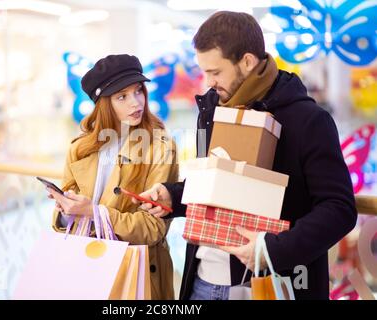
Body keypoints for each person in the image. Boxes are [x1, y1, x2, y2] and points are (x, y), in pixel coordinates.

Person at [134, 11, 357, 300]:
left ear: (248, 62)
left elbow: (339, 209)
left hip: (271, 286)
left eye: (216, 72)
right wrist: (172, 196)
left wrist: (272, 249)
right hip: (201, 282)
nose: (209, 82)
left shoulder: (308, 120)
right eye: (205, 72)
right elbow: (216, 186)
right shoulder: (211, 111)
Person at [47, 54, 179, 300]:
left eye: (138, 91)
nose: (135, 102)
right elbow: (61, 221)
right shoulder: (80, 148)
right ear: (103, 103)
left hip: (137, 274)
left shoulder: (160, 147)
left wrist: (95, 213)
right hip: (88, 270)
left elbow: (153, 228)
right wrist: (67, 209)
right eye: (122, 96)